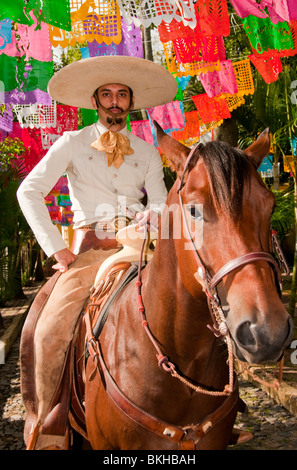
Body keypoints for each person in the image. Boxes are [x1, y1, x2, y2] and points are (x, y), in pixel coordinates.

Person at [17, 55, 178, 449]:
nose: (114, 101)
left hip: (144, 248)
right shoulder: (70, 143)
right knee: (51, 327)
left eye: (122, 94)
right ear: (95, 101)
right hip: (90, 251)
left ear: (131, 102)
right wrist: (56, 249)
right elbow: (29, 191)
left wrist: (153, 220)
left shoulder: (148, 151)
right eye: (106, 94)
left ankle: (217, 403)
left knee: (199, 298)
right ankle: (51, 420)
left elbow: (160, 201)